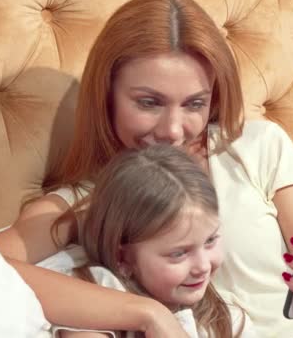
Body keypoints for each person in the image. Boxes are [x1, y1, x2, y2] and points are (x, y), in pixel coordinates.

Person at [0, 0, 293, 337]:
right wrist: (148, 314)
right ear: (106, 96)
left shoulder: (259, 149)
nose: (173, 131)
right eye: (149, 103)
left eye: (194, 104)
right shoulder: (87, 201)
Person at [52, 144, 254, 337]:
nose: (202, 266)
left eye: (210, 240)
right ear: (122, 258)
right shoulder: (96, 292)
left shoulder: (228, 322)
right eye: (179, 253)